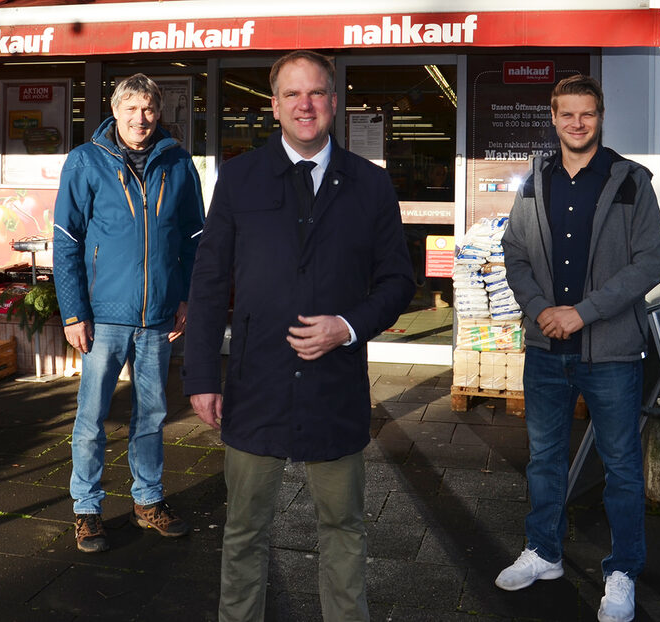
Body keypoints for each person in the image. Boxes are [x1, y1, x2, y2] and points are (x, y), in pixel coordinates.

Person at [182, 50, 415, 621]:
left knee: (342, 527)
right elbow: (209, 283)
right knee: (243, 530)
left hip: (334, 387)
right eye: (292, 94)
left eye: (315, 93)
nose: (304, 105)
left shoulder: (370, 185)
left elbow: (398, 281)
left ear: (334, 102)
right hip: (255, 384)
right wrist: (201, 376)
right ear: (275, 106)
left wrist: (348, 326)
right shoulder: (239, 179)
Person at [499, 74, 660, 622]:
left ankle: (621, 570)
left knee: (620, 466)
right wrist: (540, 309)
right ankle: (543, 552)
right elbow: (514, 251)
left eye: (586, 113)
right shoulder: (534, 181)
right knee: (544, 458)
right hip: (545, 347)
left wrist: (582, 311)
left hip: (612, 351)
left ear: (600, 116)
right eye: (566, 113)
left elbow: (647, 263)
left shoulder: (631, 181)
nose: (577, 123)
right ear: (553, 116)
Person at [53, 73, 205, 553]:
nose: (141, 119)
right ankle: (87, 509)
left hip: (158, 315)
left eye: (149, 109)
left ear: (159, 112)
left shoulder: (178, 162)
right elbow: (67, 241)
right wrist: (74, 312)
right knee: (91, 415)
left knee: (152, 414)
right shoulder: (85, 162)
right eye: (132, 109)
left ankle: (148, 500)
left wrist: (185, 299)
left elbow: (195, 239)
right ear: (115, 111)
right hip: (103, 315)